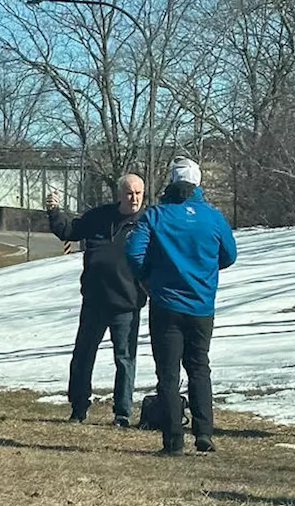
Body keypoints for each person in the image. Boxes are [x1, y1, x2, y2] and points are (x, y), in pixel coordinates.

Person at [126, 157, 237, 455]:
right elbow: (229, 255)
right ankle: (204, 433)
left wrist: (148, 278)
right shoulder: (214, 218)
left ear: (171, 182)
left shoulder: (156, 215)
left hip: (166, 305)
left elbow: (134, 253)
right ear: (198, 183)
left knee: (169, 373)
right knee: (200, 367)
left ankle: (173, 440)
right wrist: (204, 270)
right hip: (202, 306)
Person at [45, 175, 148, 427]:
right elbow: (68, 231)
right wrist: (54, 211)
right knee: (82, 355)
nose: (134, 198)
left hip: (127, 303)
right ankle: (78, 408)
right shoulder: (99, 217)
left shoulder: (146, 222)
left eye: (138, 193)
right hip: (94, 301)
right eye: (129, 193)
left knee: (124, 359)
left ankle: (122, 413)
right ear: (119, 195)